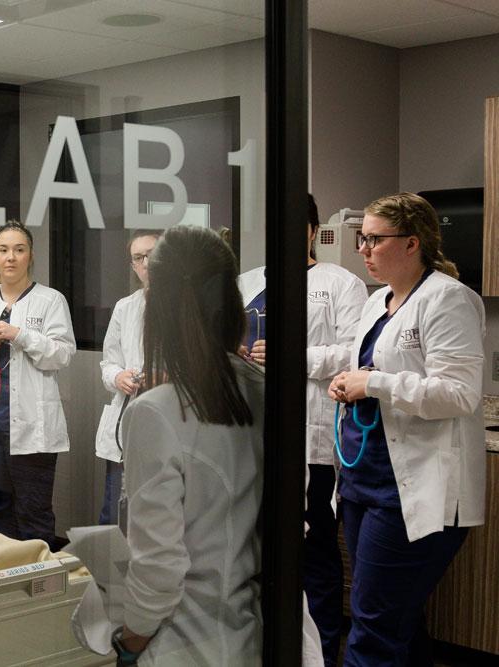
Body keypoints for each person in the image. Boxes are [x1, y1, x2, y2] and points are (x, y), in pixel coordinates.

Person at [328, 192, 485, 666]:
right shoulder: (379, 301)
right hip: (363, 483)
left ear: (412, 242)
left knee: (373, 628)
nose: (364, 250)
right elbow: (363, 362)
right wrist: (346, 378)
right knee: (395, 619)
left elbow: (459, 393)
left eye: (374, 239)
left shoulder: (448, 299)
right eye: (362, 239)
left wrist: (372, 382)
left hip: (413, 490)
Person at [111, 226, 264, 665]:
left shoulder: (157, 413)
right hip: (251, 636)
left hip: (185, 645)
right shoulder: (264, 391)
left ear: (158, 310)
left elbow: (158, 571)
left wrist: (128, 642)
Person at [238, 196, 368, 665]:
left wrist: (294, 355)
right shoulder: (247, 282)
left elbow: (357, 352)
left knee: (313, 552)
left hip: (310, 439)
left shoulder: (340, 283)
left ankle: (324, 652)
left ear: (311, 231)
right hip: (251, 434)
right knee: (256, 546)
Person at [0, 220, 76, 549]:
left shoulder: (50, 301)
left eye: (19, 250)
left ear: (30, 256)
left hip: (32, 430)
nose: (11, 257)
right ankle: (5, 589)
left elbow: (62, 355)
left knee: (33, 512)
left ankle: (40, 590)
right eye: (3, 250)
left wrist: (20, 335)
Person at [94, 230, 160, 525]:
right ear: (133, 265)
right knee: (116, 512)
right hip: (128, 418)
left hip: (167, 420)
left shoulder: (189, 304)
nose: (146, 262)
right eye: (138, 257)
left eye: (152, 254)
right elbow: (108, 362)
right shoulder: (125, 307)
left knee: (157, 514)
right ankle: (110, 571)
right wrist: (118, 376)